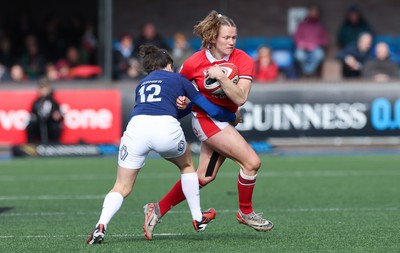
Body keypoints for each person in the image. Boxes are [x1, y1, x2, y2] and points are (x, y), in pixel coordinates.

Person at [86, 44, 240, 244]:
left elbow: (158, 107)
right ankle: (197, 217)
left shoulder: (141, 84)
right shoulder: (178, 79)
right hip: (165, 129)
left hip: (136, 129)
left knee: (121, 185)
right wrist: (232, 116)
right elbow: (210, 109)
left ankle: (101, 225)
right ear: (168, 65)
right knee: (186, 167)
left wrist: (183, 107)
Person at [143, 10, 274, 241]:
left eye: (234, 37)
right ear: (213, 38)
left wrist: (221, 77)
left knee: (203, 177)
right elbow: (177, 86)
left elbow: (241, 98)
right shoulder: (195, 62)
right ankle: (245, 212)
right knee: (252, 162)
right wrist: (180, 101)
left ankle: (157, 209)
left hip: (224, 118)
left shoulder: (243, 59)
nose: (231, 42)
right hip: (205, 120)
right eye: (226, 38)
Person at [293, 4, 328, 77]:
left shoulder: (320, 26)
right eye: (311, 11)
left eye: (315, 12)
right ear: (308, 12)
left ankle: (308, 72)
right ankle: (307, 72)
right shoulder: (302, 24)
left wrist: (315, 44)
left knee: (319, 55)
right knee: (299, 55)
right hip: (303, 47)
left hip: (315, 48)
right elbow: (297, 37)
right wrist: (303, 44)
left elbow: (325, 40)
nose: (313, 13)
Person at [26, 77, 63, 143]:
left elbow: (59, 116)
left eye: (46, 88)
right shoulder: (36, 102)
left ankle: (54, 144)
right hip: (39, 125)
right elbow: (32, 115)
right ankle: (31, 145)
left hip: (50, 125)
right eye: (42, 88)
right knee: (30, 126)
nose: (44, 90)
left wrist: (56, 117)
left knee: (55, 127)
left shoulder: (54, 102)